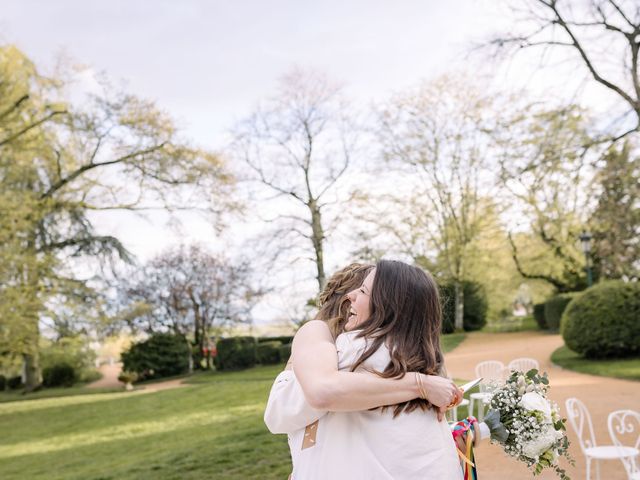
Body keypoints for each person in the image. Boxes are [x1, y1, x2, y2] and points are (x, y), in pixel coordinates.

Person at [265, 260, 466, 479]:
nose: (351, 296)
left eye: (362, 290)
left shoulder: (352, 348)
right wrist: (420, 384)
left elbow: (280, 413)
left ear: (386, 304)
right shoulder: (424, 362)